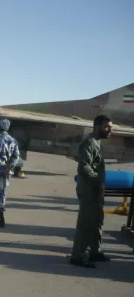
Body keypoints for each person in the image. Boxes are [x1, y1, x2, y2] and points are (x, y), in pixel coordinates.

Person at [70, 115, 113, 268]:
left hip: (95, 188)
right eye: (106, 127)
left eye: (110, 127)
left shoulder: (97, 143)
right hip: (88, 188)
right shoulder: (89, 143)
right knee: (86, 223)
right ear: (96, 126)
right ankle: (78, 256)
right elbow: (84, 168)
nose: (110, 130)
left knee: (96, 221)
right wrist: (98, 181)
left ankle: (94, 251)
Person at [0, 118, 20, 227]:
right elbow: (16, 156)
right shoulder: (13, 141)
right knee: (3, 192)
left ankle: (1, 218)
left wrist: (1, 164)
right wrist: (9, 166)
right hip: (7, 172)